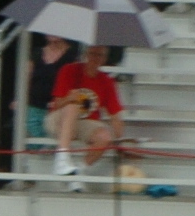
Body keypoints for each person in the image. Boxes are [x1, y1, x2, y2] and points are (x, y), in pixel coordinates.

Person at [49, 44, 125, 187]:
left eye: (99, 55)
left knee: (105, 137)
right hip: (59, 118)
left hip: (85, 123)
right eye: (92, 54)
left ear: (104, 59)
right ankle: (62, 158)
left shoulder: (107, 81)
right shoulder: (69, 70)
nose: (95, 58)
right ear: (85, 54)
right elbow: (56, 104)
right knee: (72, 106)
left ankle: (79, 171)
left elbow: (115, 116)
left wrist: (120, 141)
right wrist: (69, 98)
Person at [22, 33, 74, 166]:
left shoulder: (72, 55)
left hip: (57, 107)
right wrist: (20, 99)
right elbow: (26, 79)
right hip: (34, 105)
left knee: (53, 134)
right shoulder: (37, 53)